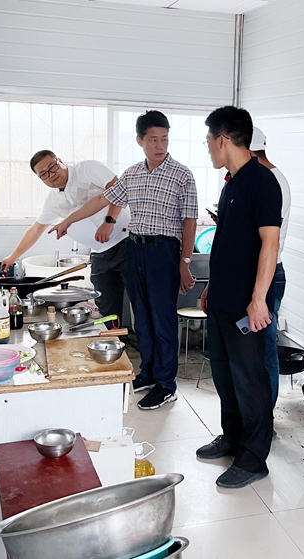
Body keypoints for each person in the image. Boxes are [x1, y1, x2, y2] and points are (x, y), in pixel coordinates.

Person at [48, 111, 198, 410]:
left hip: (164, 251)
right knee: (142, 316)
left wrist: (185, 262)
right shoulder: (132, 174)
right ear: (140, 140)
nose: (160, 145)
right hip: (135, 248)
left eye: (164, 139)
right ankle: (149, 373)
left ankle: (166, 384)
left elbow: (190, 221)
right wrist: (67, 221)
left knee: (162, 319)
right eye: (153, 139)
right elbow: (101, 200)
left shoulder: (182, 175)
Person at [196, 106, 282, 489]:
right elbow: (228, 244)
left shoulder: (262, 182)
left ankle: (253, 458)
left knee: (250, 379)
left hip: (247, 304)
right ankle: (232, 438)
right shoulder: (231, 182)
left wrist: (259, 299)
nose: (208, 149)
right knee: (225, 375)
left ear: (222, 139)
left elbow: (270, 244)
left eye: (208, 141)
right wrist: (211, 287)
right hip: (222, 299)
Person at [0, 151, 130, 321]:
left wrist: (109, 222)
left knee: (140, 300)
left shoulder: (86, 169)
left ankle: (144, 338)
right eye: (44, 174)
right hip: (100, 252)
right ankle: (111, 336)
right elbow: (36, 229)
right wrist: (13, 256)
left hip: (126, 241)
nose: (51, 175)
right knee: (106, 308)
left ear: (60, 161)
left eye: (52, 167)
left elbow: (119, 189)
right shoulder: (53, 200)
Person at [249, 127, 291, 408]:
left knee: (264, 349)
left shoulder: (271, 181)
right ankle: (253, 417)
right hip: (256, 274)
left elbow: (269, 240)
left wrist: (258, 297)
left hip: (266, 275)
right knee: (251, 351)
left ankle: (265, 417)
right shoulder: (260, 179)